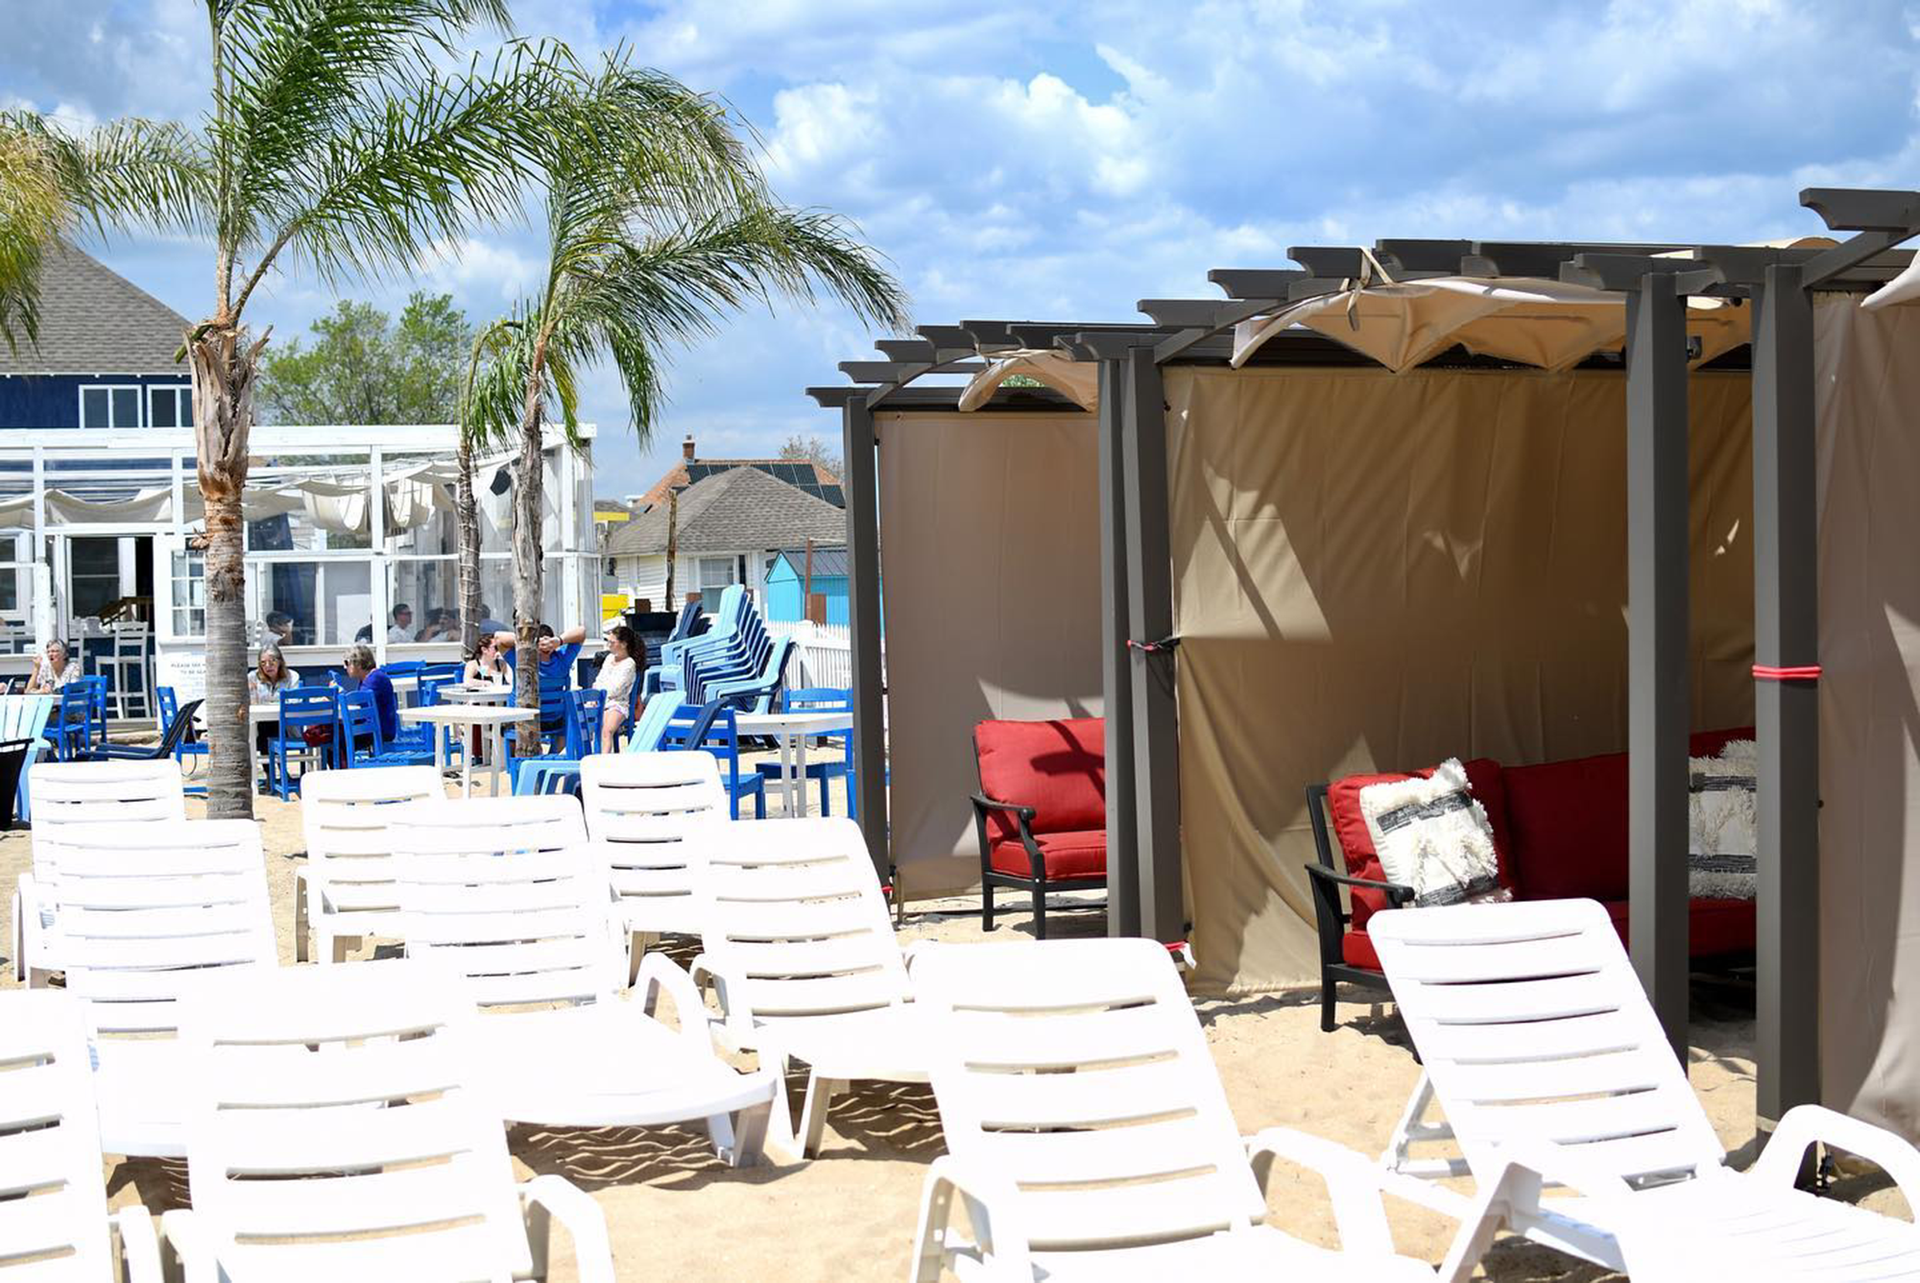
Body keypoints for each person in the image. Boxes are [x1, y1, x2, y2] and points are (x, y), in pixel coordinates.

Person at [247, 644, 301, 767]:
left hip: (286, 727)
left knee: (271, 729)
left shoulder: (292, 677)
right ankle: (277, 773)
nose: (267, 666)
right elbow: (251, 703)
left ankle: (273, 775)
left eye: (272, 661)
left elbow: (294, 701)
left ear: (280, 661)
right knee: (266, 729)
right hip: (259, 727)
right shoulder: (253, 677)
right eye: (263, 663)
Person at [341, 642, 398, 750]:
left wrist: (340, 693)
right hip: (372, 727)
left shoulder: (375, 679)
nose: (345, 667)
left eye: (347, 663)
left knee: (336, 741)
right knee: (330, 735)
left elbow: (360, 702)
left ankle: (345, 766)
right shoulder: (368, 678)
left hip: (379, 731)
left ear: (357, 663)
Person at [594, 624, 639, 753]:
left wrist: (600, 695)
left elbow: (616, 689)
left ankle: (604, 760)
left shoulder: (629, 664)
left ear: (623, 644)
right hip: (601, 700)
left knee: (606, 730)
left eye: (612, 642)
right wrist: (596, 695)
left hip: (618, 704)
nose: (609, 645)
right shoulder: (609, 659)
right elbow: (599, 679)